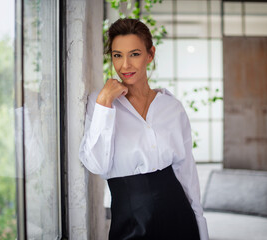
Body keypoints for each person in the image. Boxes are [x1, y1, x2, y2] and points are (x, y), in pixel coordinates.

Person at [79, 18, 209, 240]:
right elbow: (97, 164)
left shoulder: (171, 107)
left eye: (135, 54)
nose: (125, 65)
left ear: (150, 55)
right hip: (129, 219)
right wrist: (104, 103)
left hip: (178, 214)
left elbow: (186, 170)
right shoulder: (100, 104)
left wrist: (200, 227)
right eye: (117, 55)